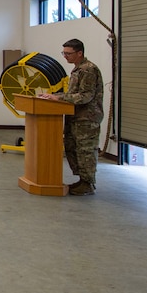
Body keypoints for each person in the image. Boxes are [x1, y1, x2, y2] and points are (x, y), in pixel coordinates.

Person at [39, 38, 105, 195]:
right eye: (64, 53)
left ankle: (88, 183)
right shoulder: (77, 69)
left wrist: (59, 98)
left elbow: (86, 96)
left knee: (85, 151)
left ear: (80, 53)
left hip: (86, 119)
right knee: (72, 148)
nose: (65, 56)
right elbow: (73, 94)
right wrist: (53, 96)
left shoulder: (88, 70)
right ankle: (82, 181)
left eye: (68, 53)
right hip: (75, 117)